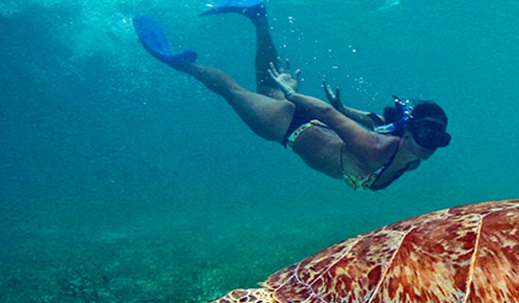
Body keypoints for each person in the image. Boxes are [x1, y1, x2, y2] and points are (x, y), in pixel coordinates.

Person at [133, 0, 451, 191]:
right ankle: (178, 62)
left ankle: (257, 14)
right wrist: (292, 95)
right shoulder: (374, 147)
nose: (429, 143)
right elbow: (328, 115)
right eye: (425, 132)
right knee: (231, 90)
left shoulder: (410, 162)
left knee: (263, 85)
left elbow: (375, 119)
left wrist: (342, 106)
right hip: (286, 125)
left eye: (438, 138)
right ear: (411, 130)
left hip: (301, 121)